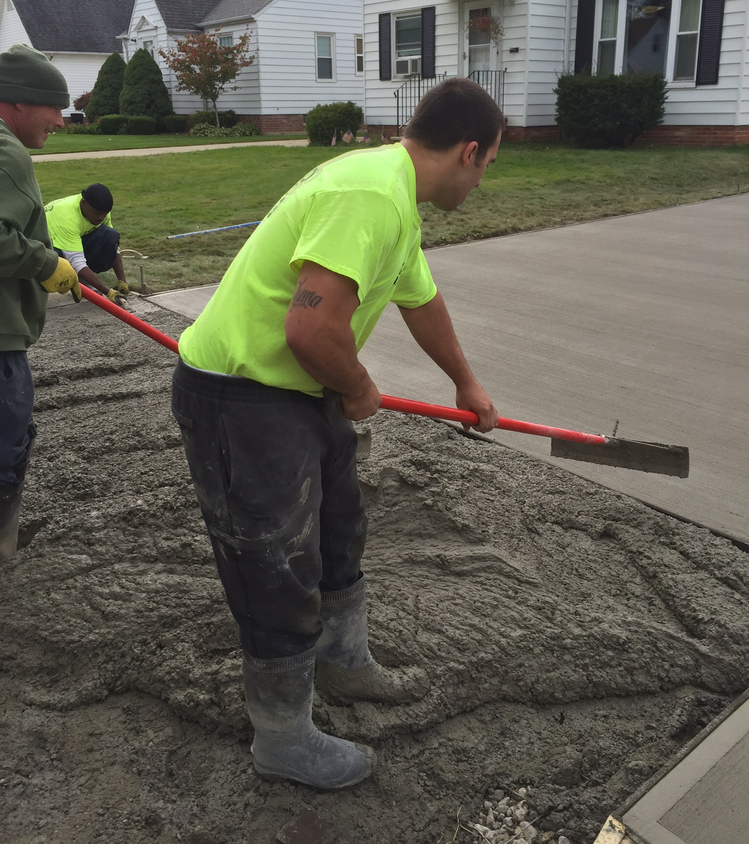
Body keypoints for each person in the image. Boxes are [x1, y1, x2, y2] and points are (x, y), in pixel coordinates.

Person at [171, 77, 504, 790]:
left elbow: (422, 300)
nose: (483, 181)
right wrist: (356, 387)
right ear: (470, 152)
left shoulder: (395, 198)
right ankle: (283, 739)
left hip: (299, 384)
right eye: (489, 165)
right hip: (243, 394)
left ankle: (343, 664)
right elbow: (310, 328)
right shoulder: (369, 195)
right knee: (276, 562)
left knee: (338, 530)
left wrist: (465, 382)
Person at [0, 44, 81, 560]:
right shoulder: (7, 153)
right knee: (7, 443)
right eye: (53, 105)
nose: (60, 119)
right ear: (17, 102)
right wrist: (45, 263)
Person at [44, 183, 129, 306]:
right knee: (59, 260)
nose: (101, 217)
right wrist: (108, 292)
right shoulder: (66, 218)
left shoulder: (100, 210)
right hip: (45, 245)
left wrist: (122, 281)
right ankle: (78, 282)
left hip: (73, 238)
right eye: (97, 213)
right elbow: (76, 261)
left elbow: (113, 246)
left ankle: (83, 279)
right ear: (83, 203)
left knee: (110, 236)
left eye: (105, 213)